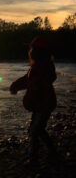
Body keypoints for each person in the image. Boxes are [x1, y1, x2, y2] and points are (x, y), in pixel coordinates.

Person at [10, 36, 59, 165]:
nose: (30, 51)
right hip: (40, 106)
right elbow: (27, 80)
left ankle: (34, 159)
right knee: (38, 129)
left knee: (34, 130)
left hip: (44, 106)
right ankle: (52, 152)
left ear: (38, 52)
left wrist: (30, 89)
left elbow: (38, 82)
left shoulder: (44, 68)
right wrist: (15, 85)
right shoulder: (37, 67)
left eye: (33, 49)